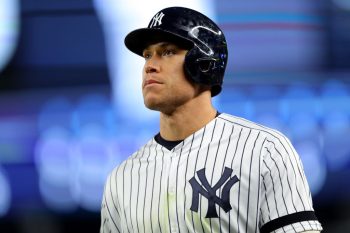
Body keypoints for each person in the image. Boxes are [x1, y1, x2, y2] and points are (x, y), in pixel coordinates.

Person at [100, 6, 323, 233]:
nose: (149, 66)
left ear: (203, 64)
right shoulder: (121, 178)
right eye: (147, 55)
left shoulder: (264, 150)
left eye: (167, 52)